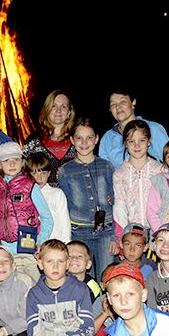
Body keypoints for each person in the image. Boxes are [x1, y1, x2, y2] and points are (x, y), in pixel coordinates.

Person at [9, 239, 94, 336]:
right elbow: (35, 334)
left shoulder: (80, 289)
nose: (55, 267)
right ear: (40, 264)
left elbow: (88, 330)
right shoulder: (34, 294)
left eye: (60, 261)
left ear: (67, 264)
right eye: (49, 261)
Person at [58, 117, 118, 282]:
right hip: (79, 232)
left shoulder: (107, 166)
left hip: (106, 231)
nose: (84, 143)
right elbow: (64, 207)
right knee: (81, 280)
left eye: (89, 137)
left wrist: (116, 236)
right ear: (72, 140)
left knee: (107, 278)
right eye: (79, 138)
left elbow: (116, 202)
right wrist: (67, 239)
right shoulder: (66, 171)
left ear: (96, 139)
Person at [0, 142, 53, 282]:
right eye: (6, 160)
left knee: (32, 287)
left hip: (28, 250)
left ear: (22, 162)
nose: (12, 164)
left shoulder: (30, 185)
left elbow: (47, 217)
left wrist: (40, 242)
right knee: (11, 288)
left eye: (16, 159)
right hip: (6, 251)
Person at [112, 119, 162, 242]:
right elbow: (119, 207)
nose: (137, 145)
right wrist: (124, 236)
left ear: (149, 141)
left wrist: (162, 232)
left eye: (142, 140)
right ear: (125, 143)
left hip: (158, 232)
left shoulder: (160, 170)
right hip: (132, 233)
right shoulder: (119, 174)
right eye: (131, 141)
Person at [99, 90, 169, 170]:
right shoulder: (107, 138)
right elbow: (104, 171)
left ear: (133, 102)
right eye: (113, 104)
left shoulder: (154, 129)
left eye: (123, 102)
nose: (117, 107)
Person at [22, 89, 77, 187]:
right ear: (47, 109)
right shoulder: (33, 141)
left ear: (69, 112)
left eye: (64, 106)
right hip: (41, 195)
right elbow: (23, 173)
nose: (58, 110)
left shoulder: (78, 139)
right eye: (53, 106)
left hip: (74, 194)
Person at [26, 153, 71, 243]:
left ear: (49, 173)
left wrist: (66, 242)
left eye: (43, 173)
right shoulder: (25, 194)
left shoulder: (56, 193)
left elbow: (64, 220)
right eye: (34, 173)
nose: (39, 178)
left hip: (55, 241)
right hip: (33, 242)